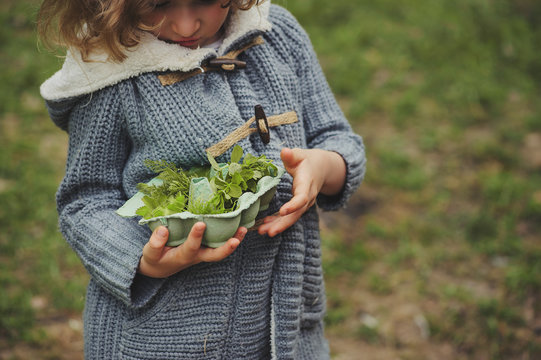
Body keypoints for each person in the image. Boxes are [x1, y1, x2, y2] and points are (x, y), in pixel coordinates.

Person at [38, 0, 366, 358]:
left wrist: (323, 167)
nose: (185, 26)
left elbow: (336, 137)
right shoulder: (109, 67)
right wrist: (143, 260)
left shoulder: (275, 34)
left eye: (206, 1)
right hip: (166, 335)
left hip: (284, 328)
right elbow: (85, 202)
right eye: (158, 5)